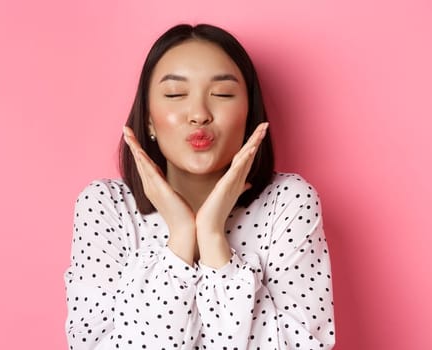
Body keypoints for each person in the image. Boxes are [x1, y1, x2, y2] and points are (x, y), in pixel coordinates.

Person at [63, 24, 336, 349]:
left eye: (222, 94)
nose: (199, 115)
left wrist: (212, 236)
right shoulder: (105, 206)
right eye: (175, 95)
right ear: (149, 118)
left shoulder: (288, 202)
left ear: (249, 114)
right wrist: (180, 236)